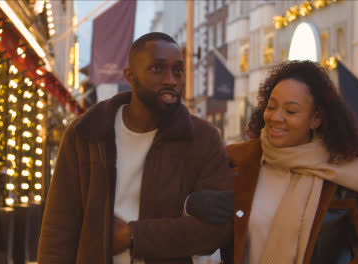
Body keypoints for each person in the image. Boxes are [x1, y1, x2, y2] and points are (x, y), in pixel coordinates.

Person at [38, 32, 234, 264]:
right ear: (130, 76)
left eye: (178, 70)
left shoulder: (203, 139)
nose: (171, 79)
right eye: (157, 69)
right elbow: (59, 230)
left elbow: (216, 231)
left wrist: (133, 235)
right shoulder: (87, 133)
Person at [186, 60, 358, 264]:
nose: (276, 117)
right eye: (271, 107)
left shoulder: (345, 174)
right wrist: (192, 206)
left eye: (290, 111)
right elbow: (204, 243)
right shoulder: (236, 162)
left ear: (316, 119)